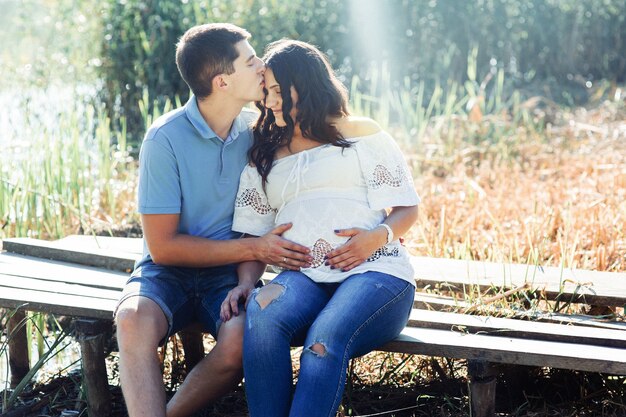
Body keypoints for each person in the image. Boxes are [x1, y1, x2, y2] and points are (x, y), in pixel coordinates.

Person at [113, 24, 313, 417]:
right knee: (132, 318)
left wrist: (375, 222)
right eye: (251, 60)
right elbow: (163, 247)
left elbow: (279, 206)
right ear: (222, 81)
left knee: (241, 339)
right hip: (165, 272)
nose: (262, 67)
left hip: (227, 275)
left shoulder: (257, 134)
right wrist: (255, 247)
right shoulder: (164, 139)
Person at [222, 39, 420, 417]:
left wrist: (374, 239)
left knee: (325, 337)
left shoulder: (361, 134)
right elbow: (254, 236)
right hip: (303, 277)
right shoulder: (265, 154)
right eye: (267, 93)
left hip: (376, 273)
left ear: (307, 84)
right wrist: (247, 283)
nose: (270, 101)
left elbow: (407, 208)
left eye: (279, 91)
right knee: (262, 317)